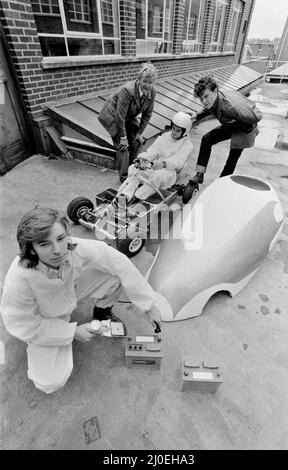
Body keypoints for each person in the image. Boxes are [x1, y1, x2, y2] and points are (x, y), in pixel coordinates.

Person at [0, 207, 161, 394]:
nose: (58, 250)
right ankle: (44, 344)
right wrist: (71, 332)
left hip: (69, 295)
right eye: (44, 244)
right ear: (32, 249)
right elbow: (21, 324)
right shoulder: (20, 278)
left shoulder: (72, 247)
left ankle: (102, 311)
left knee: (115, 275)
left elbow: (118, 261)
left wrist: (149, 306)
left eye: (61, 238)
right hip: (45, 319)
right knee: (49, 382)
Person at [190, 73, 262, 184]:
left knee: (231, 159)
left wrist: (245, 131)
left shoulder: (231, 108)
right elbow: (208, 108)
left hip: (244, 128)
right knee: (206, 139)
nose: (204, 101)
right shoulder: (213, 99)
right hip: (230, 123)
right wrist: (197, 115)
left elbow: (257, 116)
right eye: (201, 98)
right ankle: (200, 174)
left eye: (206, 96)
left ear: (215, 91)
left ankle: (221, 183)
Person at [98, 62, 157, 182]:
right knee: (122, 146)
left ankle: (133, 170)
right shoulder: (128, 90)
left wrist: (139, 133)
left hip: (128, 115)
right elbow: (120, 116)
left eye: (150, 82)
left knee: (136, 141)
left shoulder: (152, 91)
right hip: (113, 114)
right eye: (145, 81)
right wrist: (123, 137)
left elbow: (147, 114)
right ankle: (125, 177)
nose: (147, 85)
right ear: (139, 79)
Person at [117, 111, 193, 202]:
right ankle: (123, 196)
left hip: (170, 172)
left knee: (156, 177)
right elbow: (152, 151)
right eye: (173, 128)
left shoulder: (187, 145)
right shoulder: (165, 136)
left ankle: (136, 198)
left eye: (178, 130)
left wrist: (164, 164)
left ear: (185, 132)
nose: (174, 132)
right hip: (155, 167)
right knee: (135, 169)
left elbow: (178, 161)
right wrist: (142, 159)